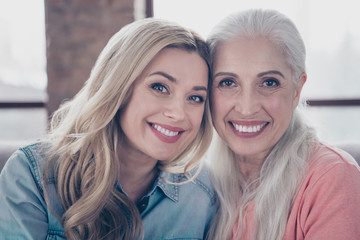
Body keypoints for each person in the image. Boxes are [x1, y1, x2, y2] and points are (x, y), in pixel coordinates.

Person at [0, 18, 216, 239]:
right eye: (159, 87)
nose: (178, 113)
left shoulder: (203, 194)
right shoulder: (31, 176)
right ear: (118, 87)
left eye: (195, 97)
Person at [206, 9, 360, 240]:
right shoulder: (200, 181)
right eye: (228, 82)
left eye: (269, 82)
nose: (247, 108)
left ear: (297, 90)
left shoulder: (333, 178)